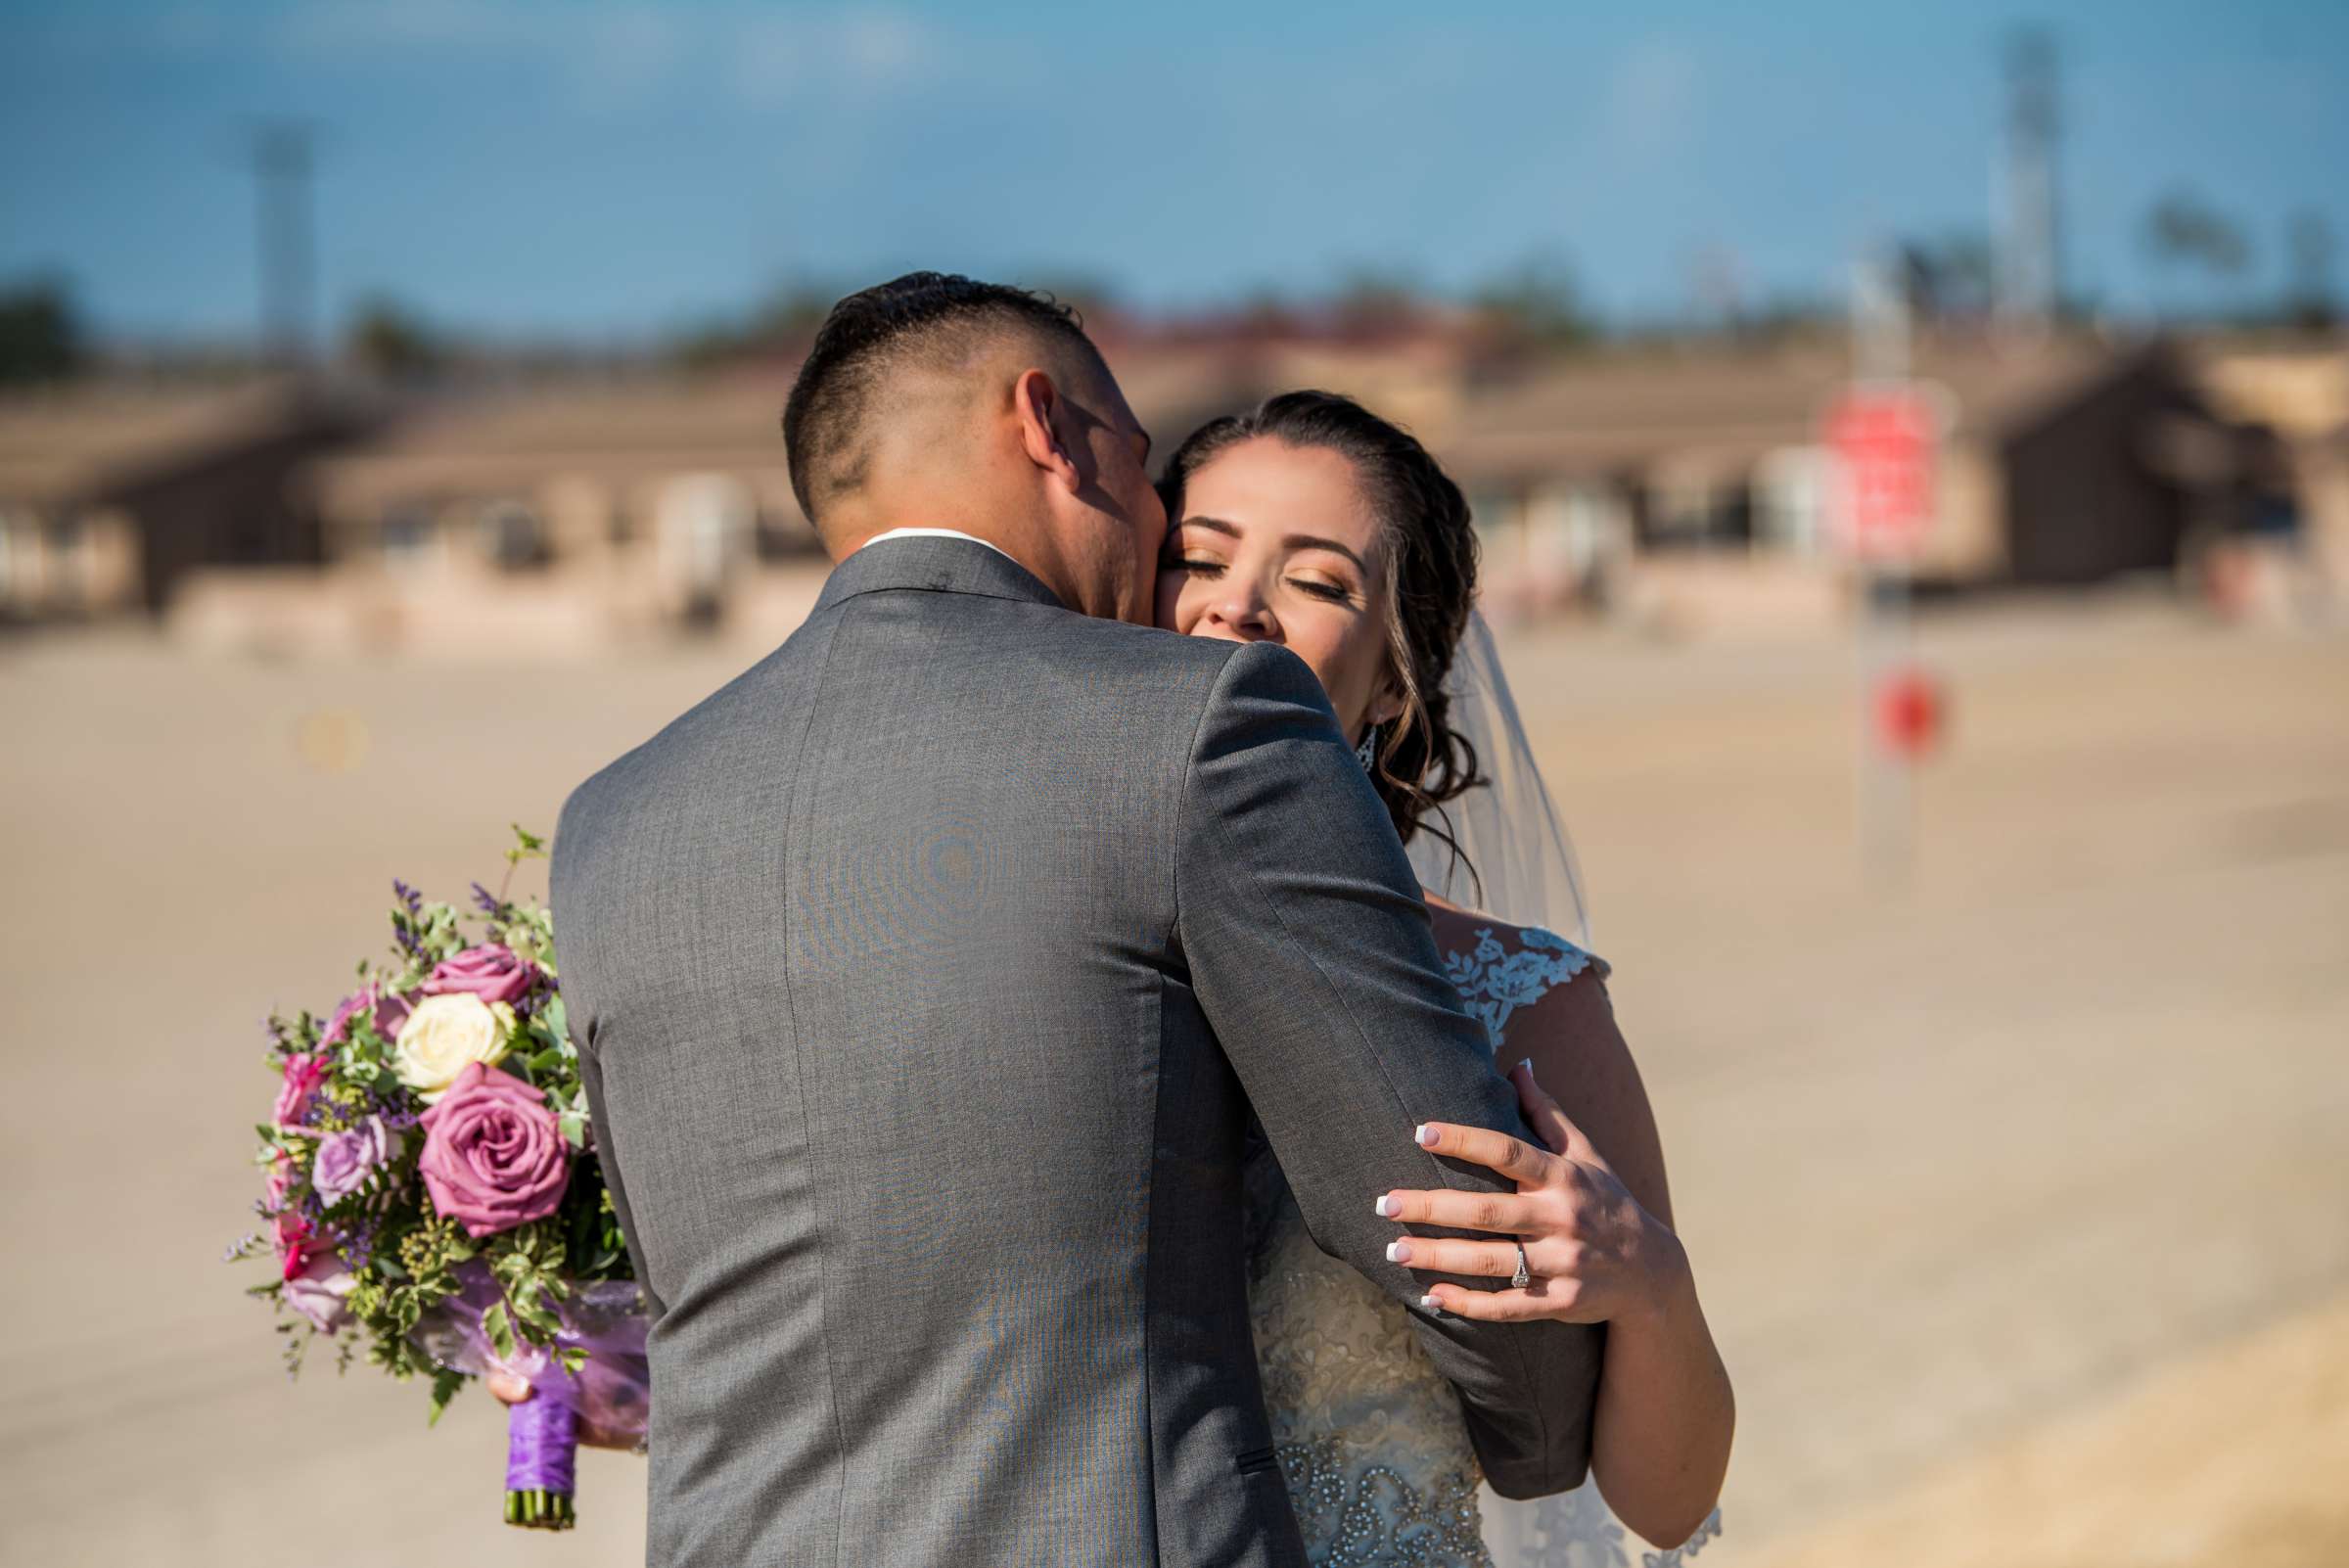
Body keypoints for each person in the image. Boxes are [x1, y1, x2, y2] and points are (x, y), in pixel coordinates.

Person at [545, 275, 1603, 1567]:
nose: (1157, 523)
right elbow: (1433, 1192)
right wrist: (1547, 1427)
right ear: (1046, 423)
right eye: (1147, 466)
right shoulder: (1205, 726)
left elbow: (699, 1308)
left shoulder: (613, 821)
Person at [1156, 392, 1733, 1566]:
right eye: (1197, 556)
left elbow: (1666, 1507)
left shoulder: (1523, 998)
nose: (1235, 604)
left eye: (1317, 582)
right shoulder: (1017, 938)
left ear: (1390, 686)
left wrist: (1648, 1283)